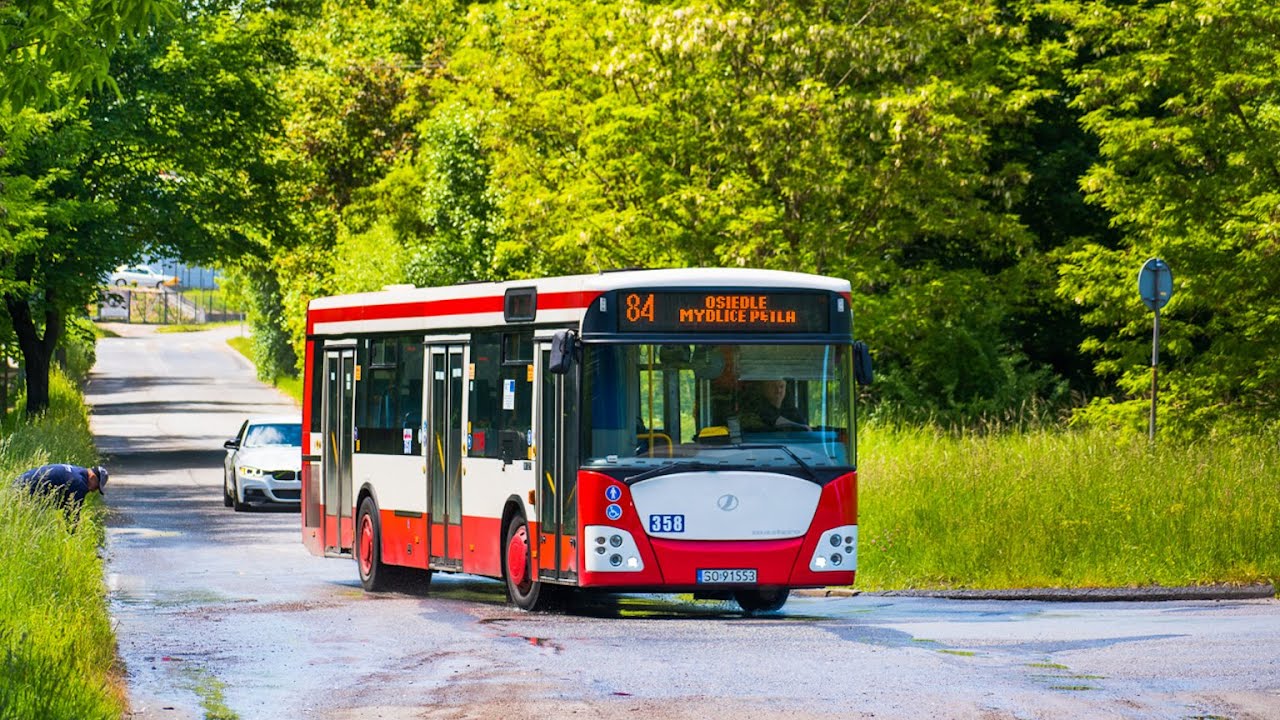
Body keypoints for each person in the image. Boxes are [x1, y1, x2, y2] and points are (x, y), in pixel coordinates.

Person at [13, 463, 109, 508]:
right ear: (92, 477)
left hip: (19, 481)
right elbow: (71, 515)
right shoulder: (80, 483)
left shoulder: (77, 471)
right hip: (25, 488)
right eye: (96, 487)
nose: (93, 490)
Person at [741, 379, 808, 431]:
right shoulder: (754, 409)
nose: (778, 390)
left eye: (781, 386)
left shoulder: (793, 412)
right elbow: (772, 420)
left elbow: (806, 430)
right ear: (763, 388)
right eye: (773, 386)